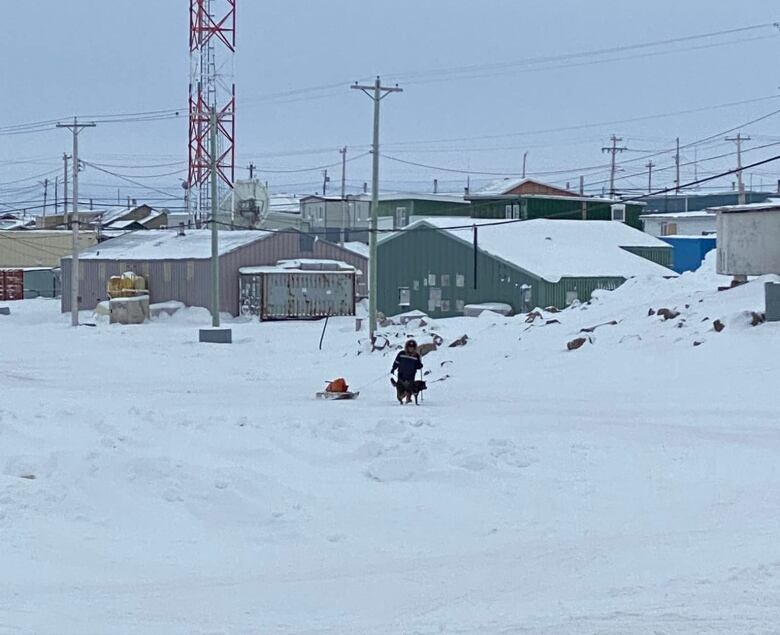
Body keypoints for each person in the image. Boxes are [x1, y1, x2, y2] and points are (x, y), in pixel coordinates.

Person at [391, 339, 423, 403]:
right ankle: (402, 394)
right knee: (399, 396)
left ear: (414, 348)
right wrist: (393, 368)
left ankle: (408, 397)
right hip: (401, 375)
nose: (411, 348)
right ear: (407, 347)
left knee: (410, 388)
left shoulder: (416, 356)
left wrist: (420, 365)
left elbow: (418, 366)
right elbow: (397, 362)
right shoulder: (401, 353)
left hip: (411, 376)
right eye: (409, 347)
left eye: (412, 347)